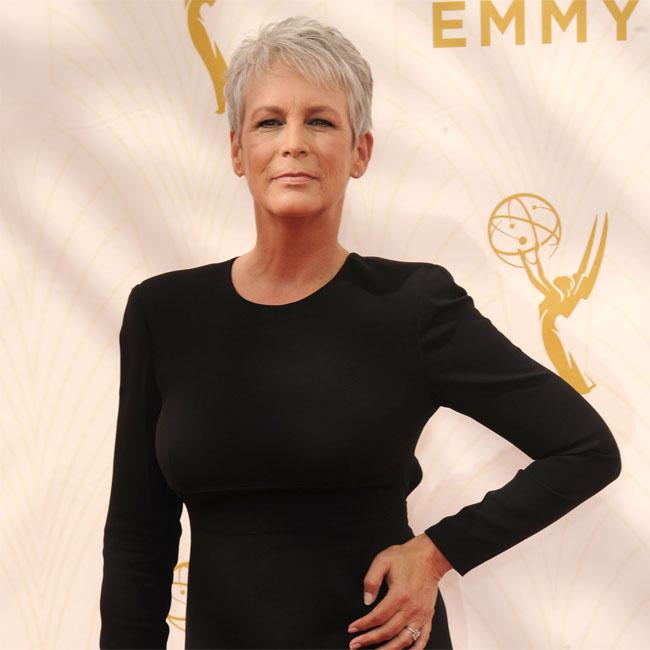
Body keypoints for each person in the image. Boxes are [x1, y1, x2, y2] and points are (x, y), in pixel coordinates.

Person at [98, 15, 622, 650]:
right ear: (237, 151)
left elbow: (585, 449)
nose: (293, 143)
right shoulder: (164, 312)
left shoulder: (413, 305)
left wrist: (438, 551)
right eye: (269, 122)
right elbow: (139, 539)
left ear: (360, 152)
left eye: (320, 121)